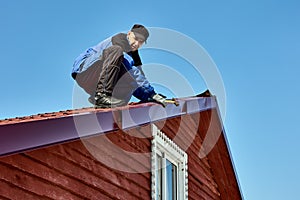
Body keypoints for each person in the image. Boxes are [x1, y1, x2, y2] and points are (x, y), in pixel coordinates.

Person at [71, 24, 167, 108]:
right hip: (85, 70)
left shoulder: (134, 55)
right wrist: (152, 94)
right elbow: (132, 73)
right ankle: (101, 95)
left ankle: (104, 101)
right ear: (129, 34)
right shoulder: (119, 39)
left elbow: (138, 79)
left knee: (129, 82)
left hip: (99, 79)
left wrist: (149, 96)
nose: (136, 43)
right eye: (136, 38)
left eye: (141, 42)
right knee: (117, 51)